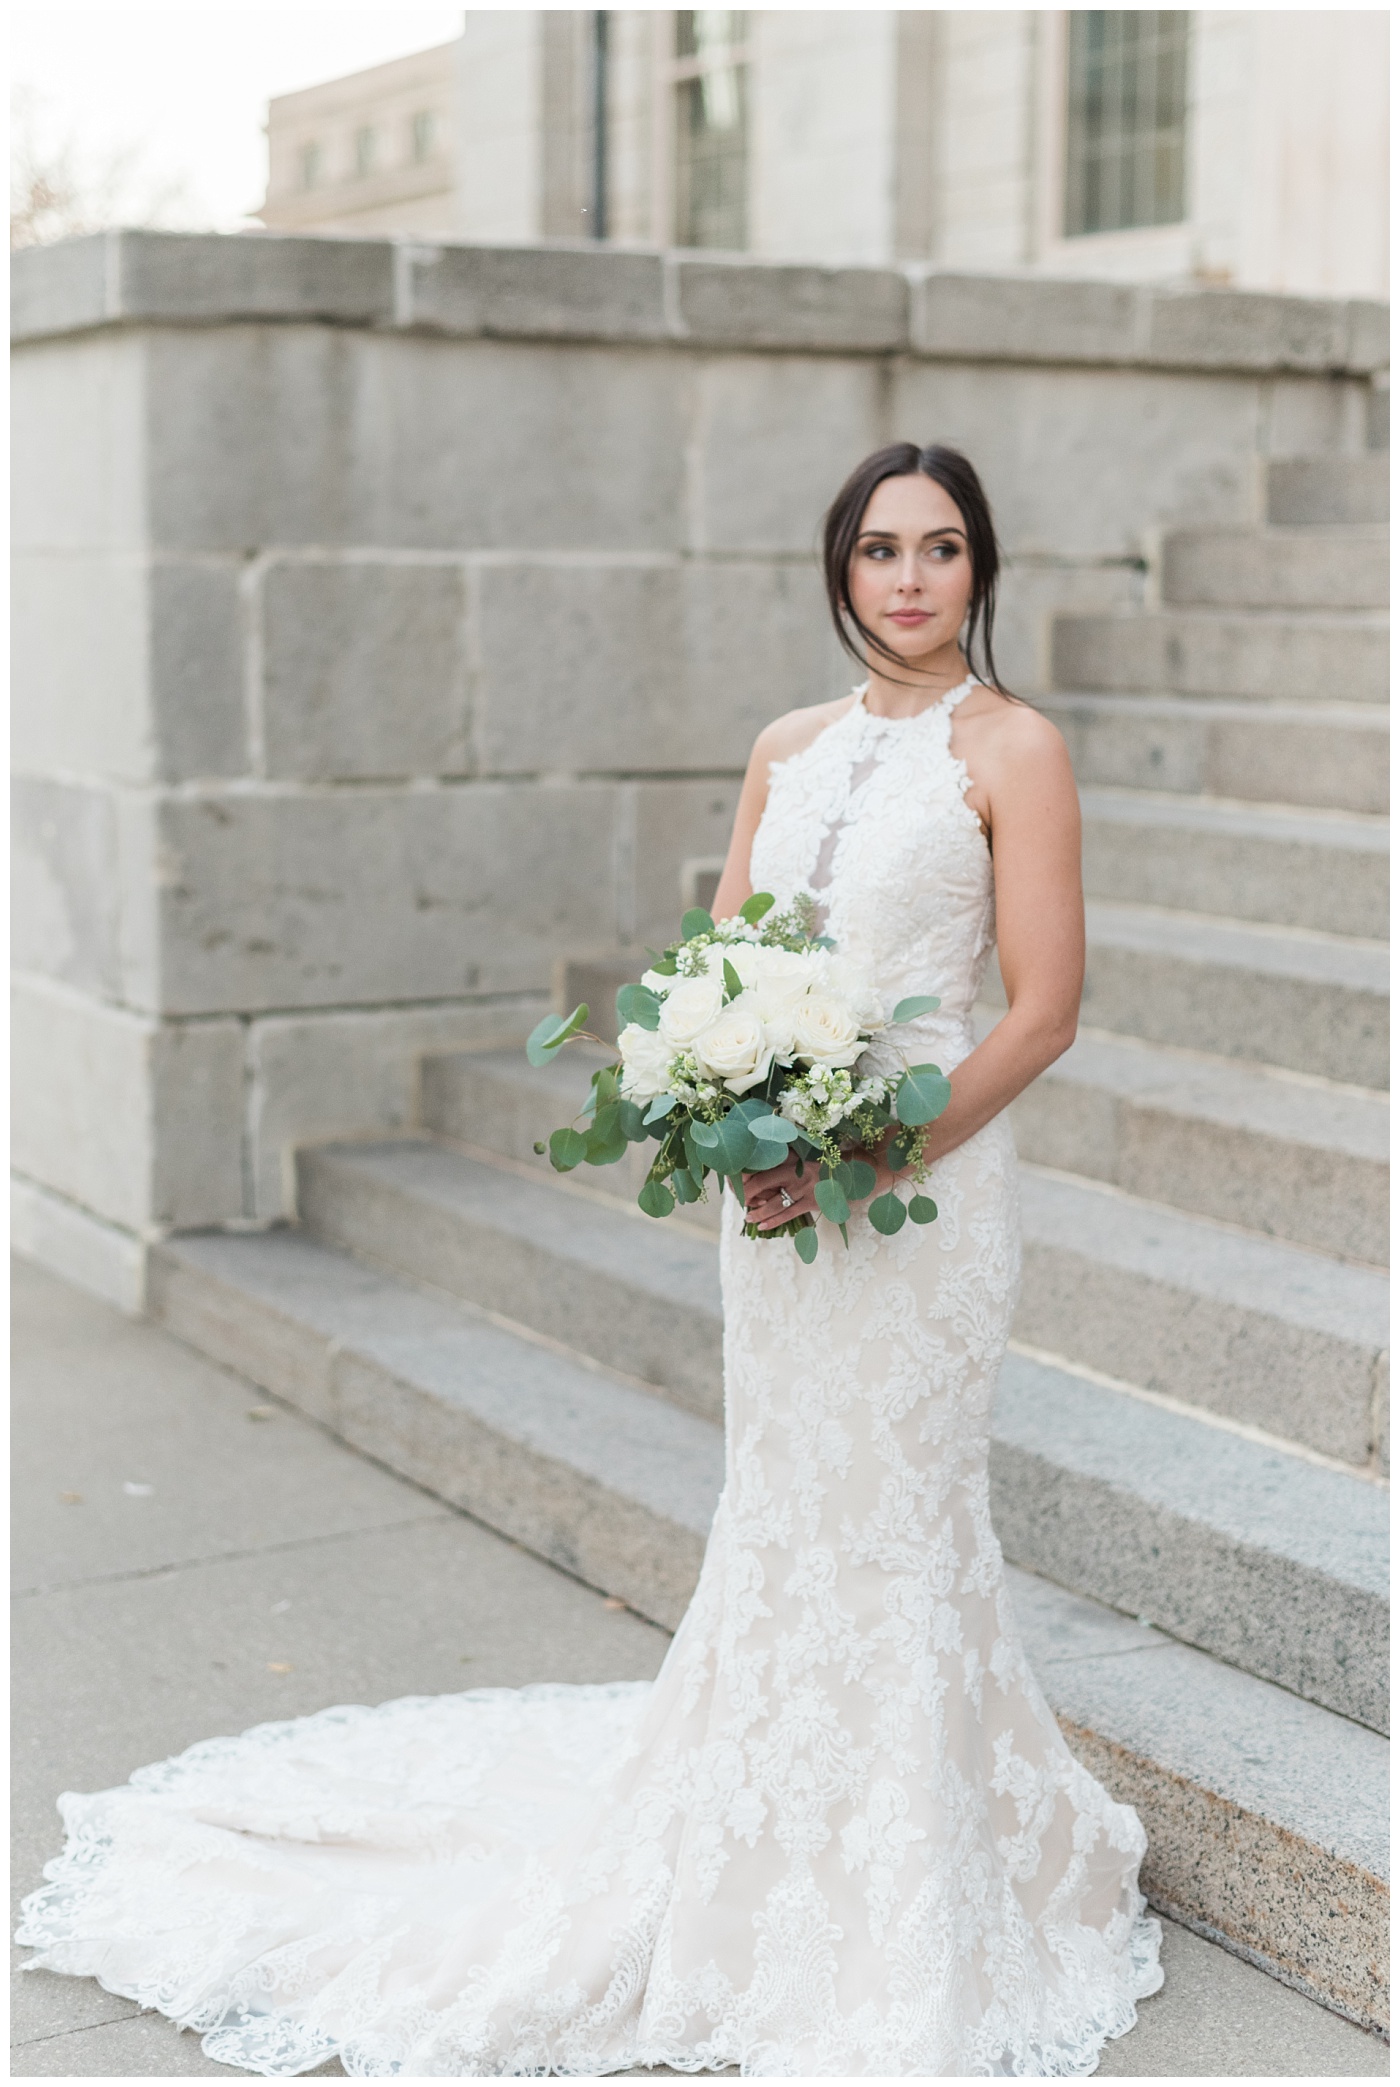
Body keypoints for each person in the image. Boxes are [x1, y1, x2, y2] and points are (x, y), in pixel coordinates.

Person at [17, 443, 1162, 2076]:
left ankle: (909, 1873)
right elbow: (720, 965)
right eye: (880, 550)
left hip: (923, 1203)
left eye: (945, 549)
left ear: (984, 572)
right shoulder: (784, 748)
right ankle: (760, 1834)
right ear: (837, 570)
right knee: (782, 1508)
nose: (911, 580)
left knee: (901, 1515)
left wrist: (877, 1148)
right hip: (773, 1205)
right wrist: (725, 1113)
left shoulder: (1018, 749)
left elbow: (1043, 1009)